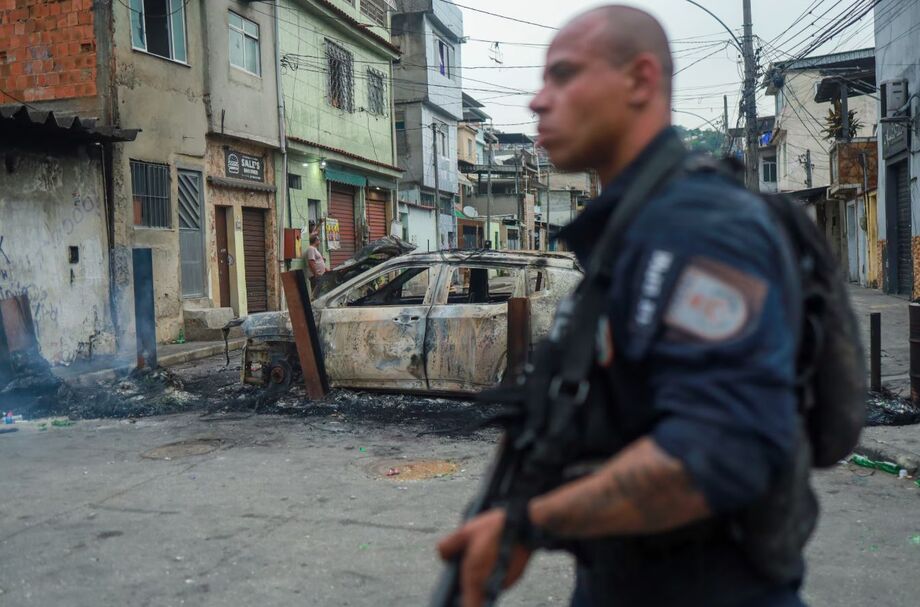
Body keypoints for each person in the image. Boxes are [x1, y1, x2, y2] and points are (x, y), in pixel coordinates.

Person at [437, 5, 810, 607]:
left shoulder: (701, 229)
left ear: (639, 80)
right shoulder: (629, 235)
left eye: (562, 75)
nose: (537, 101)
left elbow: (720, 452)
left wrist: (530, 522)